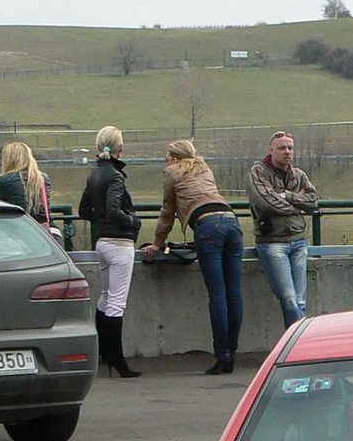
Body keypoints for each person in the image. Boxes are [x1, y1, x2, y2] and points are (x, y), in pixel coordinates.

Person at [143, 140, 243, 375]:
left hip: (207, 226)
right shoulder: (204, 168)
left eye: (168, 155)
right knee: (233, 292)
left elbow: (167, 210)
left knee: (217, 293)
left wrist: (158, 243)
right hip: (231, 221)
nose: (165, 160)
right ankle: (233, 352)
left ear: (176, 158)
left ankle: (222, 354)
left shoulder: (171, 172)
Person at [78, 125, 140, 379]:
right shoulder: (115, 176)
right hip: (120, 243)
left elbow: (84, 210)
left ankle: (105, 353)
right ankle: (118, 359)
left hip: (102, 243)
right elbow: (115, 209)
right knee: (117, 302)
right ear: (120, 148)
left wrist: (101, 221)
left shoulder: (94, 174)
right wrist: (132, 221)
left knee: (105, 298)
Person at [248, 131, 319, 327]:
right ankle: (298, 342)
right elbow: (266, 203)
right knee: (288, 298)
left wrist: (287, 196)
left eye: (290, 148)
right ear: (271, 150)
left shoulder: (298, 175)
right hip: (272, 243)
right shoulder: (258, 172)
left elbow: (313, 202)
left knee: (300, 300)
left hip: (298, 240)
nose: (287, 152)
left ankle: (296, 344)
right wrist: (297, 206)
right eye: (281, 148)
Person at [0, 142, 50, 221]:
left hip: (19, 225)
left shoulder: (5, 179)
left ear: (9, 160)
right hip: (40, 229)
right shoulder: (42, 178)